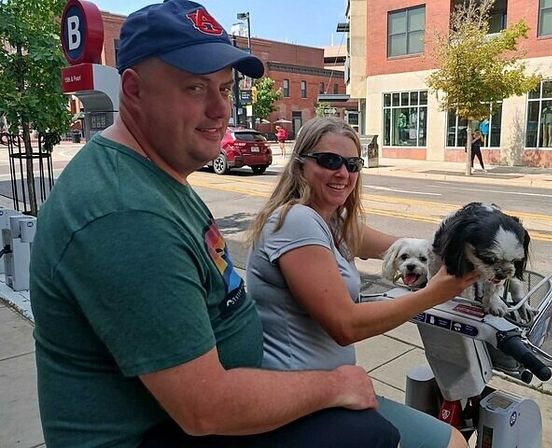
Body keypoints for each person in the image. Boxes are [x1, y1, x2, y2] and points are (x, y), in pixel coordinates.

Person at [29, 2, 400, 448]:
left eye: (225, 89)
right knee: (376, 434)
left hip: (196, 417)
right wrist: (335, 384)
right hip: (162, 433)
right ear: (134, 90)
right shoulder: (125, 215)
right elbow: (205, 408)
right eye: (195, 88)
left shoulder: (155, 174)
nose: (219, 109)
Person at [246, 116, 480, 448]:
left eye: (352, 164)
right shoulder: (296, 221)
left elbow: (401, 247)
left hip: (332, 387)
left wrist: (469, 253)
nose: (343, 173)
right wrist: (433, 293)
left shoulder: (333, 221)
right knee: (451, 443)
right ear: (300, 165)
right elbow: (345, 326)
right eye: (329, 161)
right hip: (299, 399)